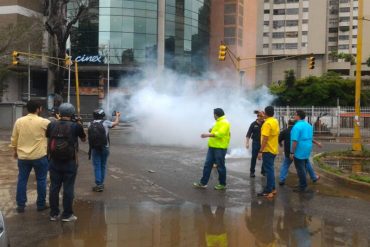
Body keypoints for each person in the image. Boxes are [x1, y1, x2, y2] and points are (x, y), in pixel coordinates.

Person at [46, 103, 86, 221]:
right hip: (70, 161)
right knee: (68, 187)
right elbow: (84, 139)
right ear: (72, 113)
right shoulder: (75, 126)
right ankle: (67, 214)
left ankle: (54, 214)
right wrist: (79, 124)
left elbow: (48, 136)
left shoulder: (52, 124)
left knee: (54, 187)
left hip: (53, 160)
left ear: (60, 113)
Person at [10, 100, 50, 213]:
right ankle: (41, 204)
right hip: (40, 156)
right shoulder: (44, 122)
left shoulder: (19, 121)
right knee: (41, 180)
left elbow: (14, 138)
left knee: (22, 180)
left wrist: (15, 151)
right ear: (38, 109)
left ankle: (21, 205)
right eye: (41, 108)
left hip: (23, 157)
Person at [193, 108, 231, 190]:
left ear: (216, 115)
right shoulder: (218, 122)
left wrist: (207, 135)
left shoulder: (225, 122)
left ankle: (222, 184)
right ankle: (203, 183)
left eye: (213, 114)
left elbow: (220, 134)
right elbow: (216, 131)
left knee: (220, 166)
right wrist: (211, 130)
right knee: (207, 165)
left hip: (220, 148)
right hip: (212, 147)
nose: (213, 116)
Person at [279, 119, 321, 186]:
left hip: (289, 152)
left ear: (288, 124)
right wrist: (317, 143)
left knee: (286, 165)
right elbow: (307, 138)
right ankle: (313, 177)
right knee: (306, 164)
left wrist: (281, 144)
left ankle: (282, 179)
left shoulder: (285, 131)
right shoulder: (300, 129)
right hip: (299, 151)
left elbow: (280, 139)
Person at [89, 109, 121, 192]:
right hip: (104, 147)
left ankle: (98, 184)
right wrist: (117, 116)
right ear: (102, 115)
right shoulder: (106, 122)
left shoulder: (90, 124)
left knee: (97, 166)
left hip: (95, 148)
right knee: (103, 165)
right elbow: (116, 123)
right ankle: (101, 183)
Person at [257, 106, 279, 198]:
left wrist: (260, 151)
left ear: (265, 113)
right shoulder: (274, 121)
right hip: (273, 149)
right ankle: (273, 189)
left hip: (267, 150)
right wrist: (264, 116)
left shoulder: (266, 124)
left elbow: (265, 139)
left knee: (269, 171)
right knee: (270, 170)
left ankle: (268, 190)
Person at [290, 110, 313, 193]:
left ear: (298, 116)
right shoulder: (308, 125)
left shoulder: (296, 127)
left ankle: (303, 186)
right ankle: (301, 183)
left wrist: (292, 152)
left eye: (295, 115)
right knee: (304, 166)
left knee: (300, 169)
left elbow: (295, 141)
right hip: (307, 148)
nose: (294, 116)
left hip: (299, 149)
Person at [245, 111, 265, 177]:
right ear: (258, 117)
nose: (262, 118)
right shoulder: (253, 124)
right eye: (261, 116)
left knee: (264, 157)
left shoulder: (265, 123)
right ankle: (252, 171)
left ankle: (263, 171)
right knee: (254, 157)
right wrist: (247, 143)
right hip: (255, 142)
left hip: (263, 142)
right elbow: (248, 134)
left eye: (263, 116)